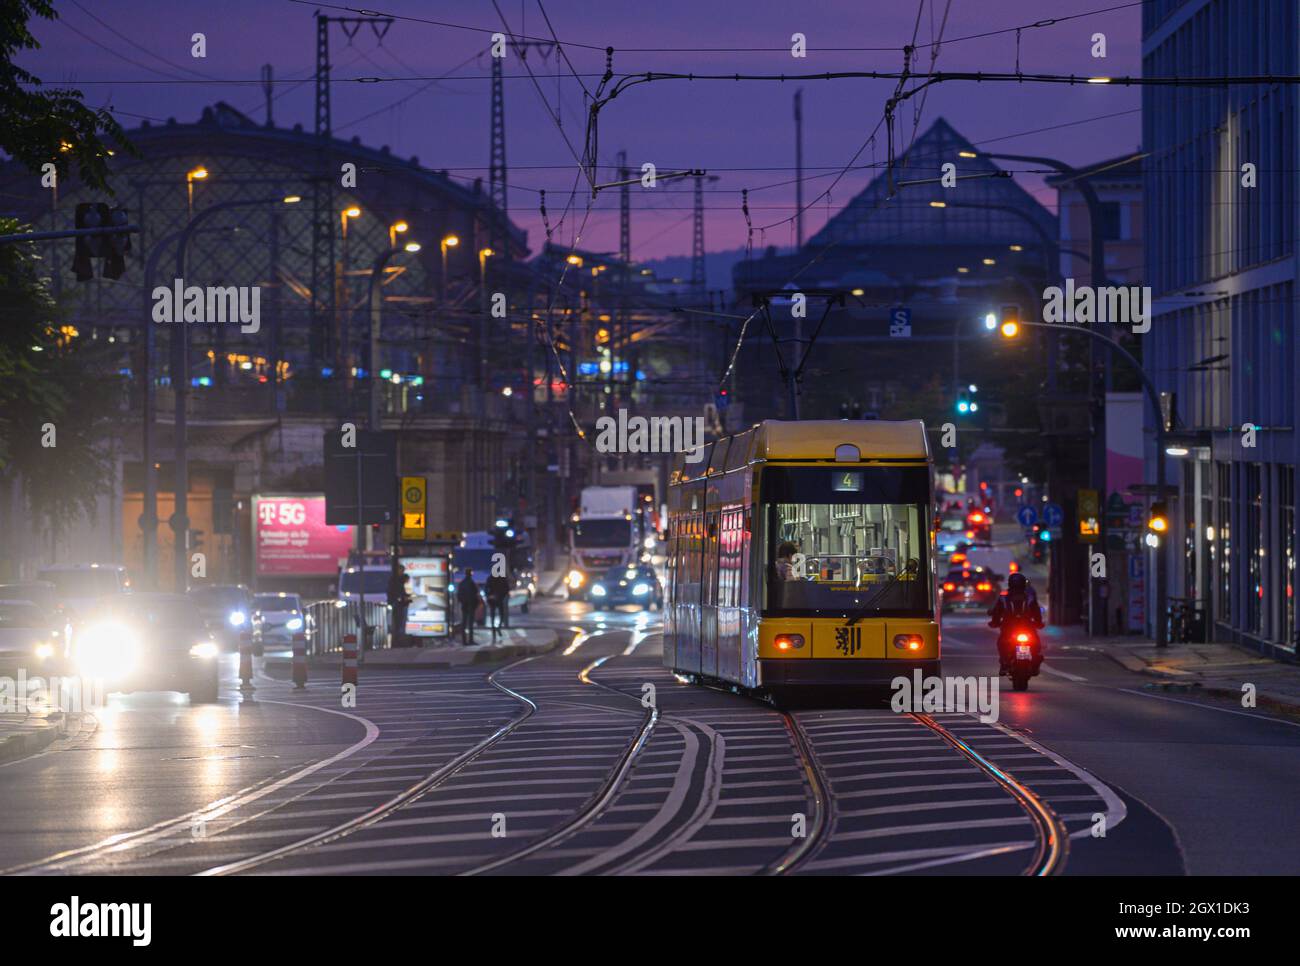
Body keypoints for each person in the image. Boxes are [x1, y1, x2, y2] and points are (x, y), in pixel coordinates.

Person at [987, 572, 1045, 672]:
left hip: (1023, 628)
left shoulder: (1027, 598)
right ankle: (1005, 662)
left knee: (1035, 643)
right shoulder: (1005, 598)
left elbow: (1036, 611)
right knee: (1003, 642)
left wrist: (1038, 622)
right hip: (1013, 628)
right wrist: (995, 621)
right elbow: (996, 612)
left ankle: (1033, 660)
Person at [386, 556, 411, 648]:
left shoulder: (396, 581)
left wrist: (405, 596)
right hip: (397, 604)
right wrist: (402, 597)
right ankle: (398, 641)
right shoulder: (395, 580)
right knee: (398, 622)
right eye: (401, 570)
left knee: (400, 622)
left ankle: (399, 639)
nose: (402, 572)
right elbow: (394, 592)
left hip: (399, 603)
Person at [456, 568, 482, 645]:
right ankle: (470, 640)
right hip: (471, 605)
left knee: (464, 623)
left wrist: (463, 602)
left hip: (465, 605)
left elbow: (459, 595)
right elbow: (475, 595)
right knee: (470, 624)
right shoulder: (472, 583)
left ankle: (464, 641)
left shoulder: (462, 583)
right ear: (470, 573)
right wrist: (475, 604)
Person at [485, 570, 510, 640]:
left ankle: (494, 628)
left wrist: (489, 595)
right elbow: (506, 589)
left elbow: (486, 588)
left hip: (493, 599)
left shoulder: (490, 579)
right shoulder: (501, 579)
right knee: (500, 615)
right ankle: (497, 628)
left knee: (494, 615)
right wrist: (501, 596)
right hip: (498, 599)